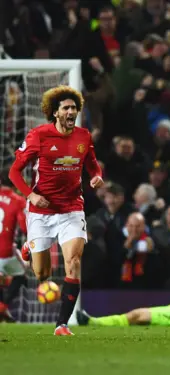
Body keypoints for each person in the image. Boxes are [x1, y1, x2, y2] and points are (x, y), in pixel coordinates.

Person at [8, 85, 104, 335]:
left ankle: (61, 324)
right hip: (41, 212)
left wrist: (96, 177)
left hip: (72, 209)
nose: (72, 111)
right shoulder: (38, 136)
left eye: (74, 107)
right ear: (55, 112)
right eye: (66, 108)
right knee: (42, 273)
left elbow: (93, 165)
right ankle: (29, 248)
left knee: (73, 262)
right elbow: (14, 172)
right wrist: (31, 195)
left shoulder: (83, 136)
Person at [0, 170, 27, 322]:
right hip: (4, 252)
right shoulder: (18, 200)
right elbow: (24, 228)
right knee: (21, 275)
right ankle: (3, 306)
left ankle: (3, 311)